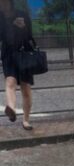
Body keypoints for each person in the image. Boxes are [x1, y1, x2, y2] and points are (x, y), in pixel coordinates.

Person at [0, 0, 34, 130]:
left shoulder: (22, 14)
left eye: (4, 2)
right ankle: (12, 109)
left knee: (25, 87)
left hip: (23, 53)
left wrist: (23, 27)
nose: (2, 4)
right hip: (8, 54)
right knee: (10, 81)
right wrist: (10, 26)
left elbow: (29, 35)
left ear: (10, 2)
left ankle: (26, 120)